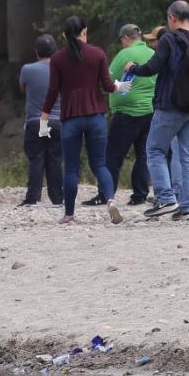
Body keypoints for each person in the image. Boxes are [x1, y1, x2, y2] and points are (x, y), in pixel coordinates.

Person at [122, 0, 189, 220]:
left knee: (155, 150)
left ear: (172, 18)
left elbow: (153, 67)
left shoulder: (169, 38)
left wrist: (133, 68)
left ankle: (165, 198)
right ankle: (187, 207)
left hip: (171, 104)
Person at [41, 17, 123, 225]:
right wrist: (119, 86)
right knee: (100, 164)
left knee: (70, 168)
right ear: (84, 32)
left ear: (64, 35)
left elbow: (53, 90)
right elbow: (107, 85)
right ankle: (111, 200)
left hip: (70, 118)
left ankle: (69, 214)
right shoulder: (98, 54)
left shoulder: (58, 59)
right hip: (96, 116)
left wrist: (44, 116)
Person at [104, 23, 154, 206]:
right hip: (150, 111)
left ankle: (106, 194)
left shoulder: (124, 54)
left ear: (125, 38)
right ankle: (140, 194)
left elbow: (108, 79)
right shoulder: (151, 54)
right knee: (143, 155)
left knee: (114, 156)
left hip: (127, 113)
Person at [18, 34, 63, 207]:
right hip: (57, 121)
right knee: (55, 159)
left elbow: (23, 88)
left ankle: (32, 198)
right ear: (55, 51)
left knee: (36, 159)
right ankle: (57, 198)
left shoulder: (27, 69)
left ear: (36, 51)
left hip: (36, 121)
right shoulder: (62, 68)